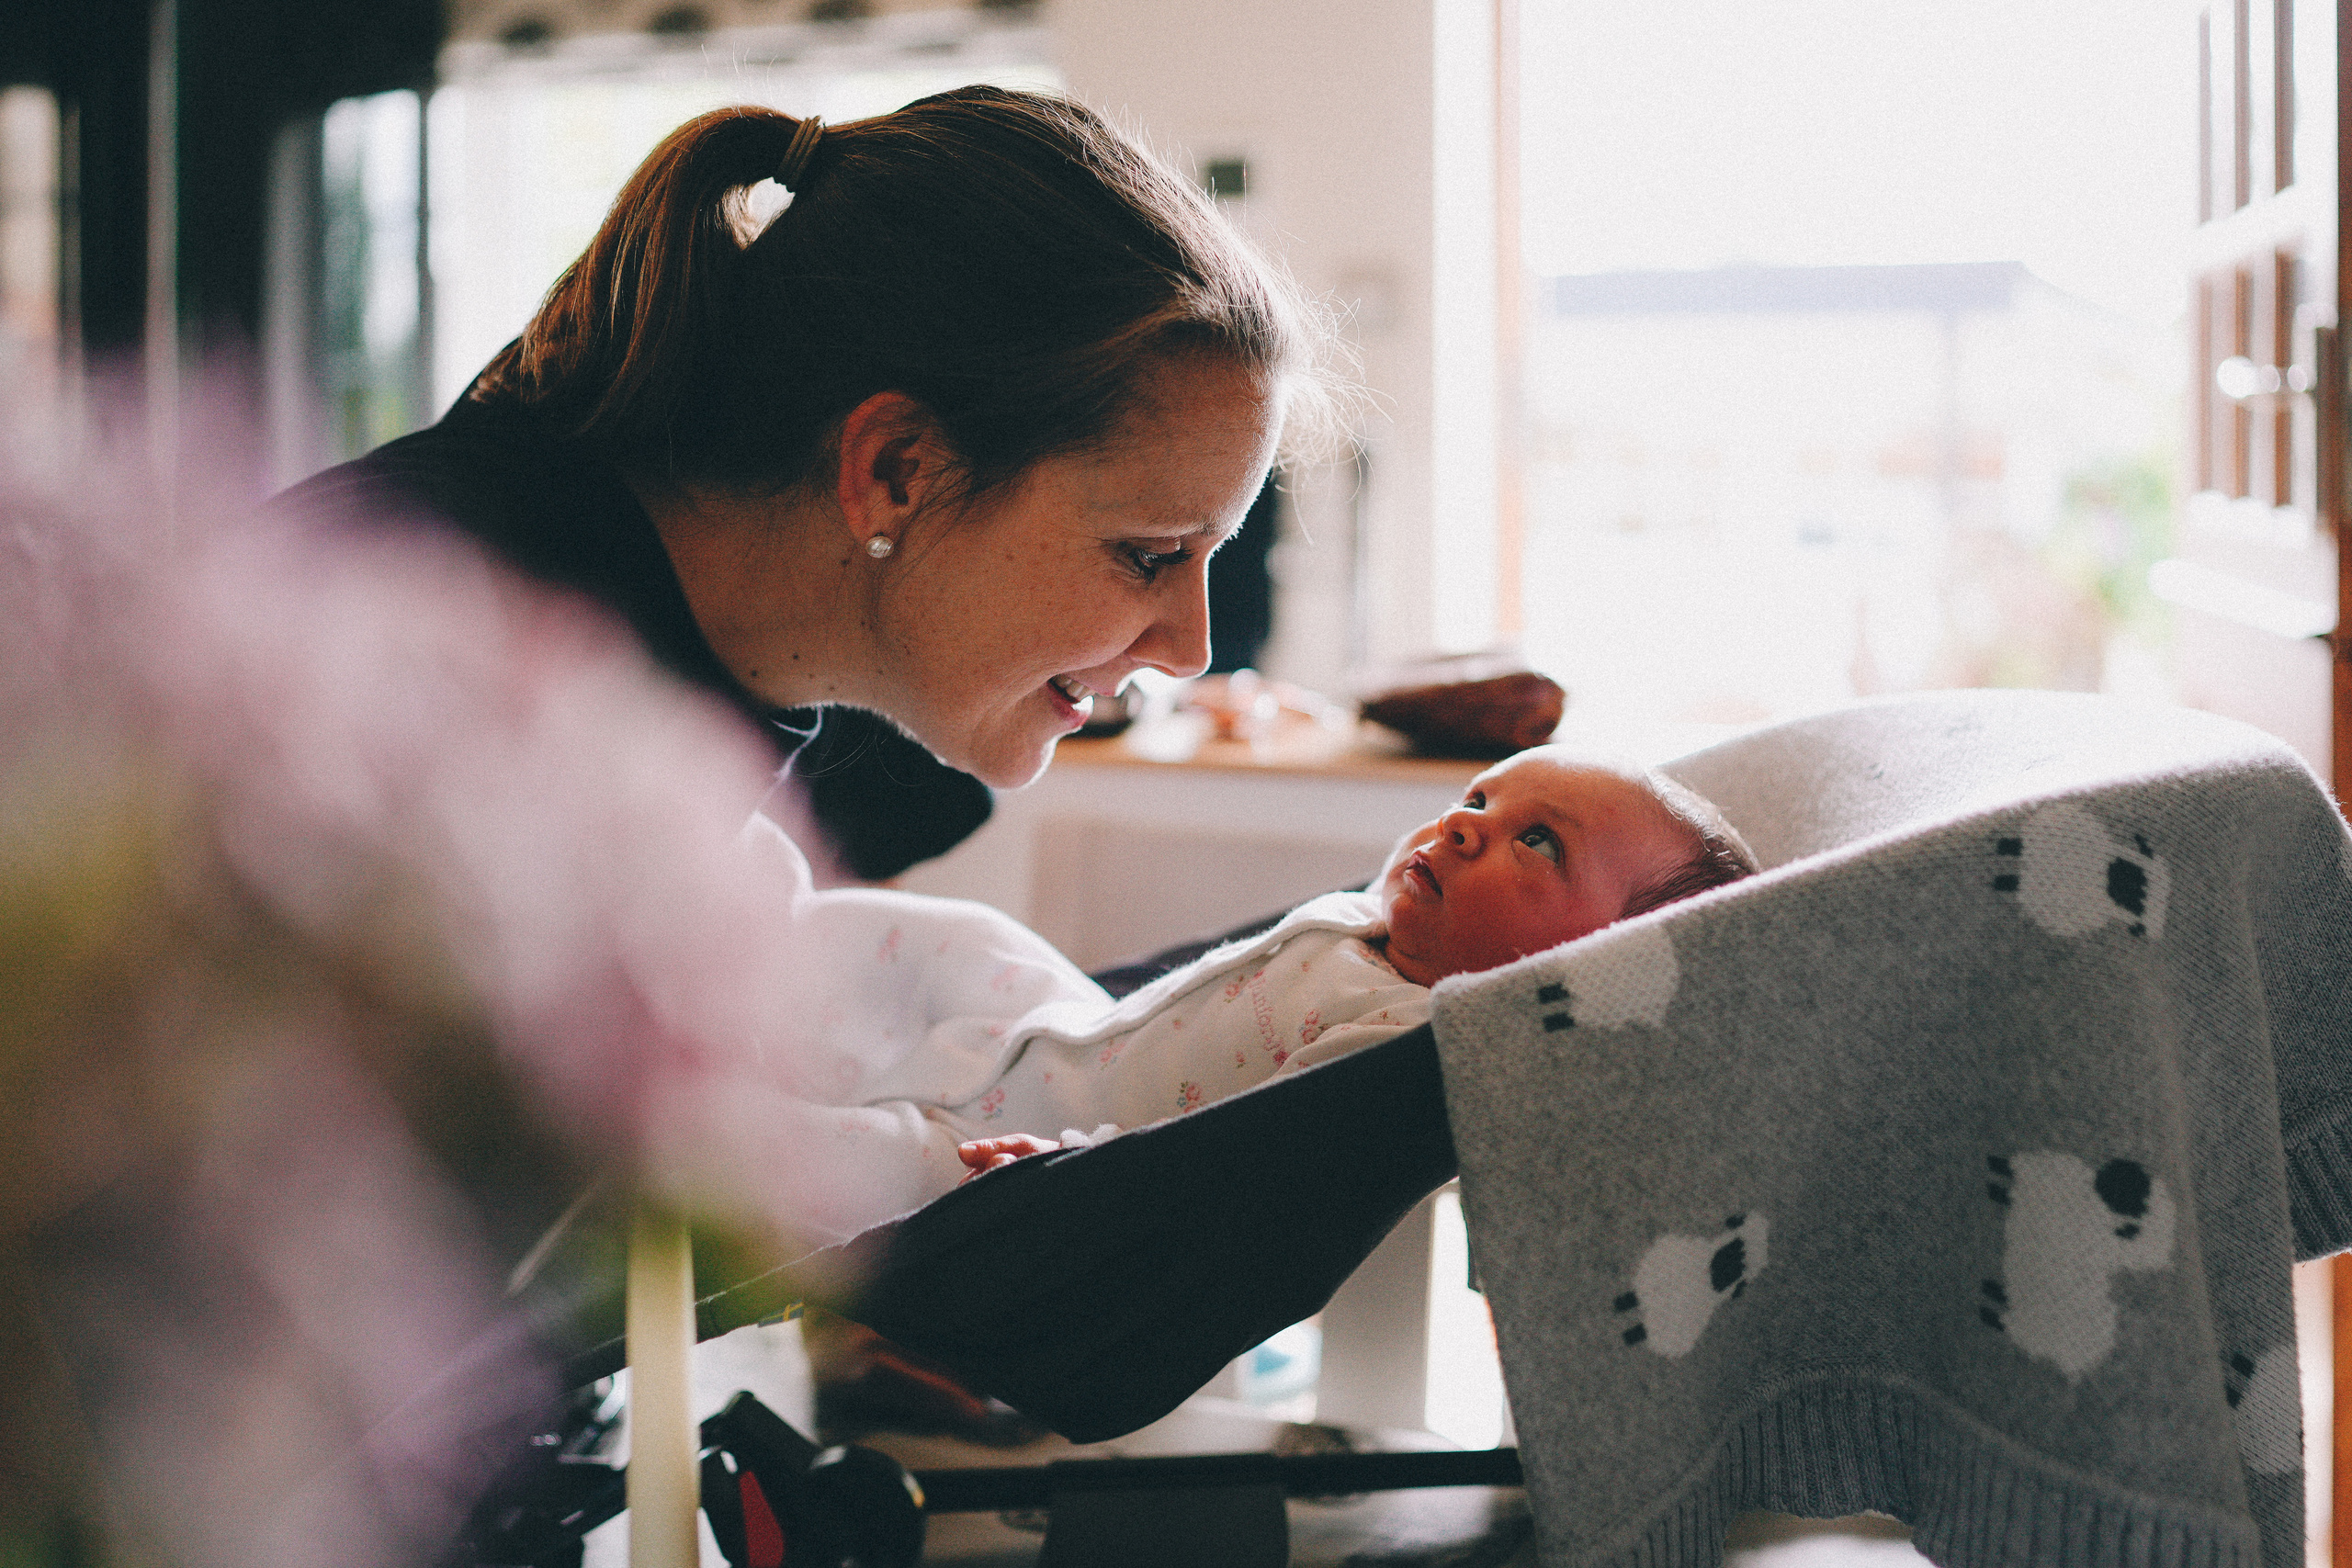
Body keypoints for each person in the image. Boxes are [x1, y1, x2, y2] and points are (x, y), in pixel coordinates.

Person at [276, 85, 1317, 878]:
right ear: (898, 471)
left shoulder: (818, 702)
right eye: (1148, 556)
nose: (1193, 650)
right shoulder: (404, 654)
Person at [941, 747, 1756, 1182]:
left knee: (889, 1161)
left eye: (1538, 842)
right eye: (1478, 798)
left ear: (1594, 971)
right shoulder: (1384, 915)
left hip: (1051, 1132)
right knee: (969, 934)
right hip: (1073, 1020)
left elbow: (1228, 1162)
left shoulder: (1399, 1042)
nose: (1461, 825)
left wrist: (1076, 1168)